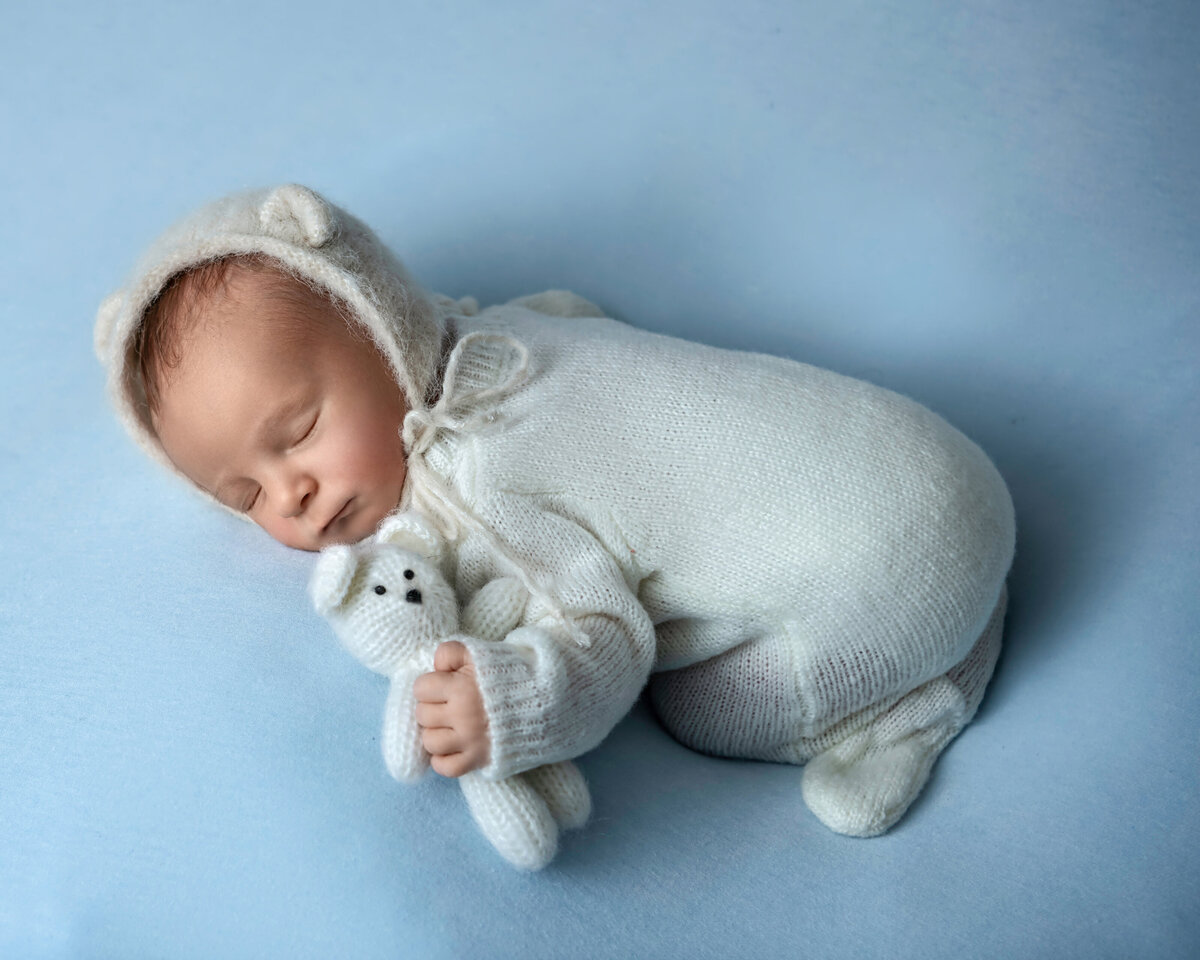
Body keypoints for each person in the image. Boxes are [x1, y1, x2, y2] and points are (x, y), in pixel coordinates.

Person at [94, 184, 1015, 838]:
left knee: (701, 709)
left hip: (890, 575)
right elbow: (583, 311)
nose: (288, 494)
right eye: (243, 496)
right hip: (944, 464)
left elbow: (609, 636)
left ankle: (918, 701)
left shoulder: (484, 477)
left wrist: (516, 703)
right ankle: (976, 604)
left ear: (377, 329)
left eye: (296, 429)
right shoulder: (520, 325)